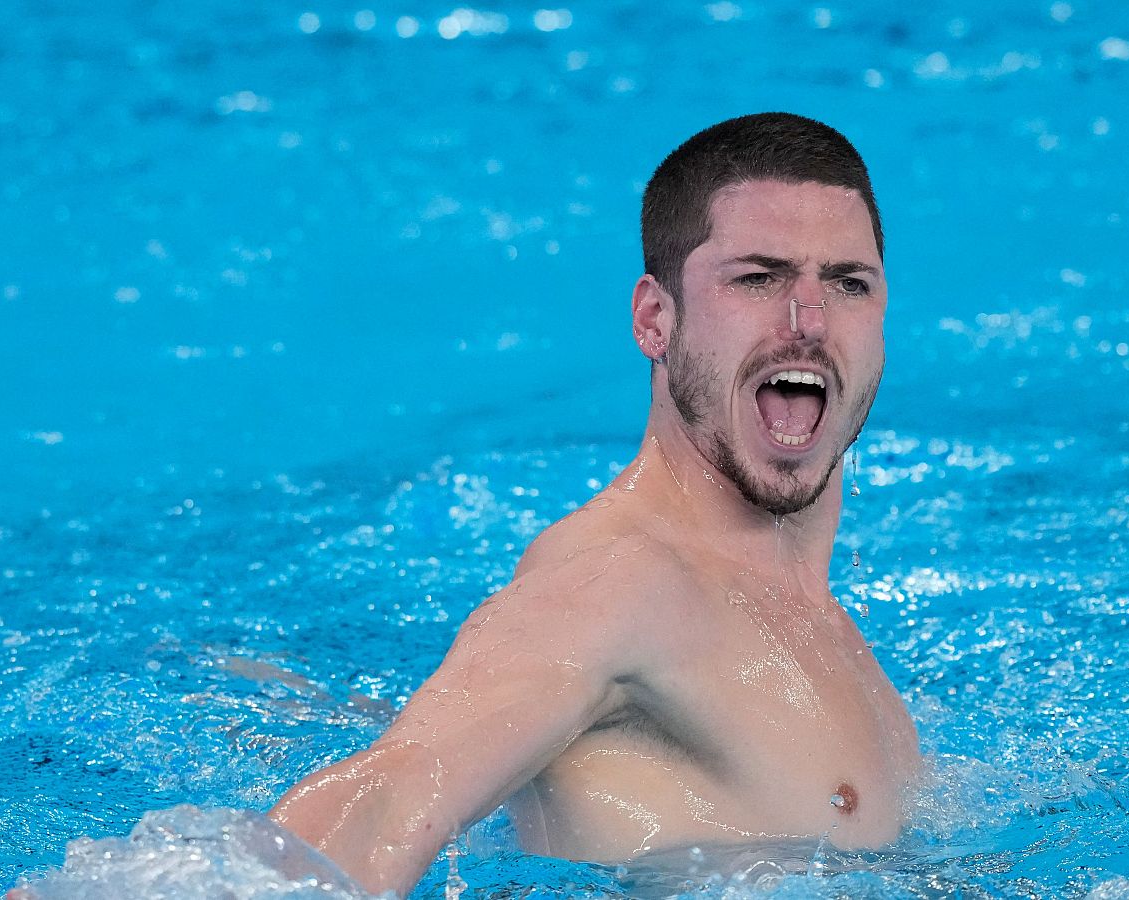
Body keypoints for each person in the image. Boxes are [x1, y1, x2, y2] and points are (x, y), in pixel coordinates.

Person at [269, 112, 922, 897]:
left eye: (849, 283)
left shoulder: (822, 625)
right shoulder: (623, 586)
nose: (809, 322)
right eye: (758, 278)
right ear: (655, 319)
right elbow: (379, 804)